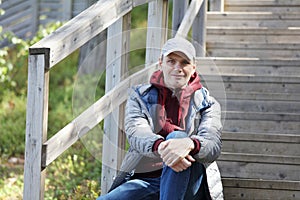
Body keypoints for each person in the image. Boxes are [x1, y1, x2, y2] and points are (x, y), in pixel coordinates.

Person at [97, 37, 223, 200]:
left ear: (193, 67)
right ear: (160, 62)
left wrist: (190, 144)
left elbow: (213, 144)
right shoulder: (139, 97)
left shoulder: (208, 103)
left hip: (191, 181)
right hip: (147, 180)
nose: (178, 68)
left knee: (178, 137)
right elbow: (137, 133)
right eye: (171, 61)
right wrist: (165, 147)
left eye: (184, 62)